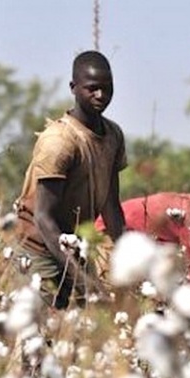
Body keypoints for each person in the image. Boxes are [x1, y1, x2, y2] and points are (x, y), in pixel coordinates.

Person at [15, 50, 127, 310]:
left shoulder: (113, 136)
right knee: (36, 335)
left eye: (107, 89)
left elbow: (111, 205)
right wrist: (83, 280)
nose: (101, 96)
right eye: (92, 89)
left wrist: (127, 260)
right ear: (73, 88)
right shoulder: (59, 141)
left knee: (86, 333)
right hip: (38, 248)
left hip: (76, 245)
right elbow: (44, 218)